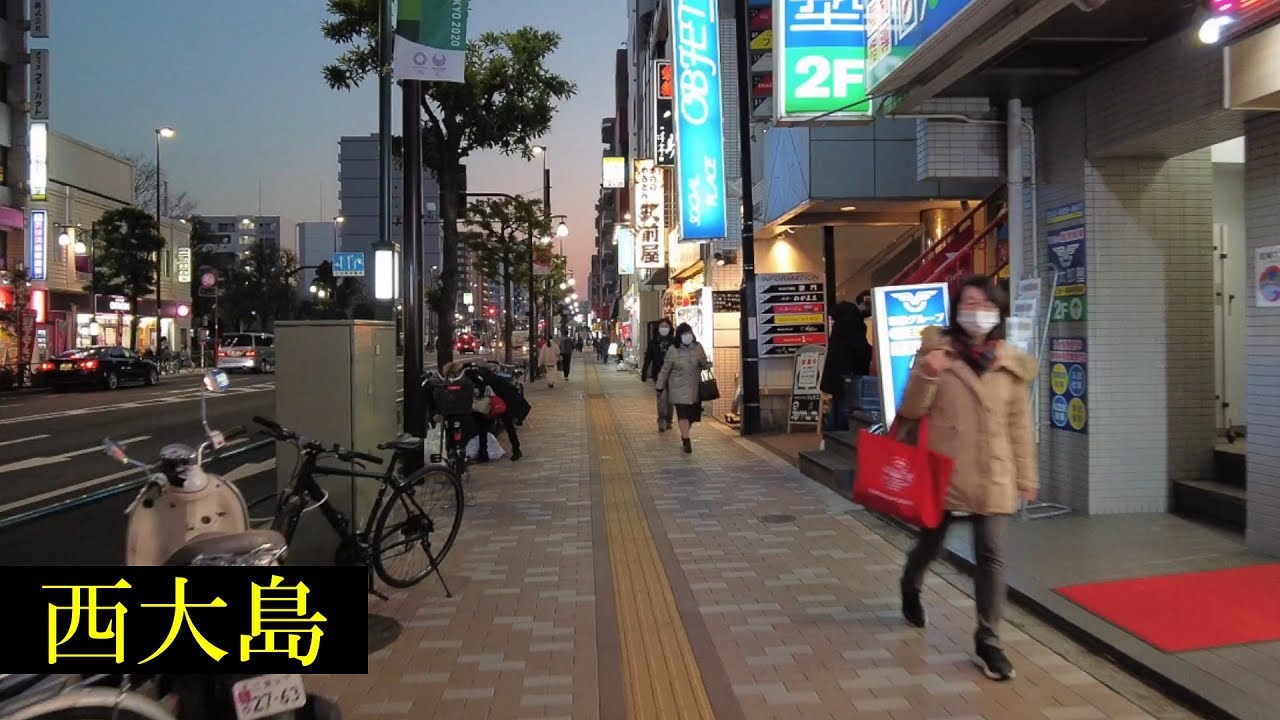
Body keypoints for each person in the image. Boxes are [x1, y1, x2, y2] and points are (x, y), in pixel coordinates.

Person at [895, 274, 1037, 682]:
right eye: (969, 303)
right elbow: (911, 410)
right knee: (932, 542)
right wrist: (928, 373)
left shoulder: (1009, 363)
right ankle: (911, 582)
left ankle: (988, 639)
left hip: (994, 472)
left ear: (998, 312)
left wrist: (1026, 474)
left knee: (991, 553)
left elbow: (1019, 426)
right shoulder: (938, 354)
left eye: (985, 304)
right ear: (957, 310)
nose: (977, 311)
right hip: (946, 472)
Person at [655, 322, 710, 454]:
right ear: (679, 336)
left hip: (694, 388)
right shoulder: (673, 349)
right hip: (678, 388)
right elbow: (665, 369)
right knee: (683, 415)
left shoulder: (698, 347)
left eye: (689, 333)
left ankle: (684, 434)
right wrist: (659, 385)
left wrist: (706, 364)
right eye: (684, 333)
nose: (687, 336)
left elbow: (703, 363)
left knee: (691, 417)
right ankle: (686, 440)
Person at [821, 301, 873, 431]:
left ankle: (831, 437)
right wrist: (873, 353)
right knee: (845, 405)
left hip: (837, 371)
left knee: (838, 403)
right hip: (848, 371)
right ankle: (840, 433)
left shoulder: (844, 318)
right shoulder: (852, 320)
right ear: (865, 303)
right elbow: (859, 346)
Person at [641, 319, 676, 432]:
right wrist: (644, 371)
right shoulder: (653, 342)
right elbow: (648, 358)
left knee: (670, 400)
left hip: (673, 374)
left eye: (666, 326)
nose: (664, 328)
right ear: (658, 328)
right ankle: (661, 420)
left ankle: (669, 420)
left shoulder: (675, 342)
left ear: (670, 328)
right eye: (662, 326)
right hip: (658, 374)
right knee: (662, 398)